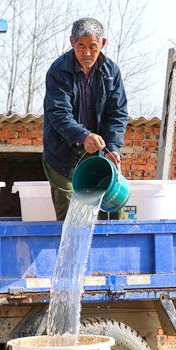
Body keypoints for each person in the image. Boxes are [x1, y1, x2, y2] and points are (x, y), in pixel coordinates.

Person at [42, 17, 128, 220]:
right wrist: (83, 136)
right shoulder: (58, 71)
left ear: (103, 44)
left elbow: (117, 114)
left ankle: (113, 250)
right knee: (70, 218)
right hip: (62, 155)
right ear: (72, 42)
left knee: (114, 209)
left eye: (93, 46)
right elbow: (59, 114)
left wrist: (113, 149)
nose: (87, 53)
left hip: (98, 153)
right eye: (81, 46)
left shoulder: (111, 72)